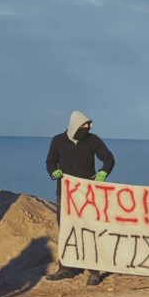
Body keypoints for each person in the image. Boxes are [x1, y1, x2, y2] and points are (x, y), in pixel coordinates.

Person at [45, 110, 115, 286]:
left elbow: (109, 159)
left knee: (90, 230)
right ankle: (66, 268)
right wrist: (54, 173)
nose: (89, 127)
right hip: (64, 193)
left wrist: (103, 173)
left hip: (87, 195)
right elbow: (50, 162)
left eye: (89, 124)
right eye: (86, 124)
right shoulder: (58, 140)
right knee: (66, 231)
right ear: (76, 125)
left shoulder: (93, 140)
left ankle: (93, 271)